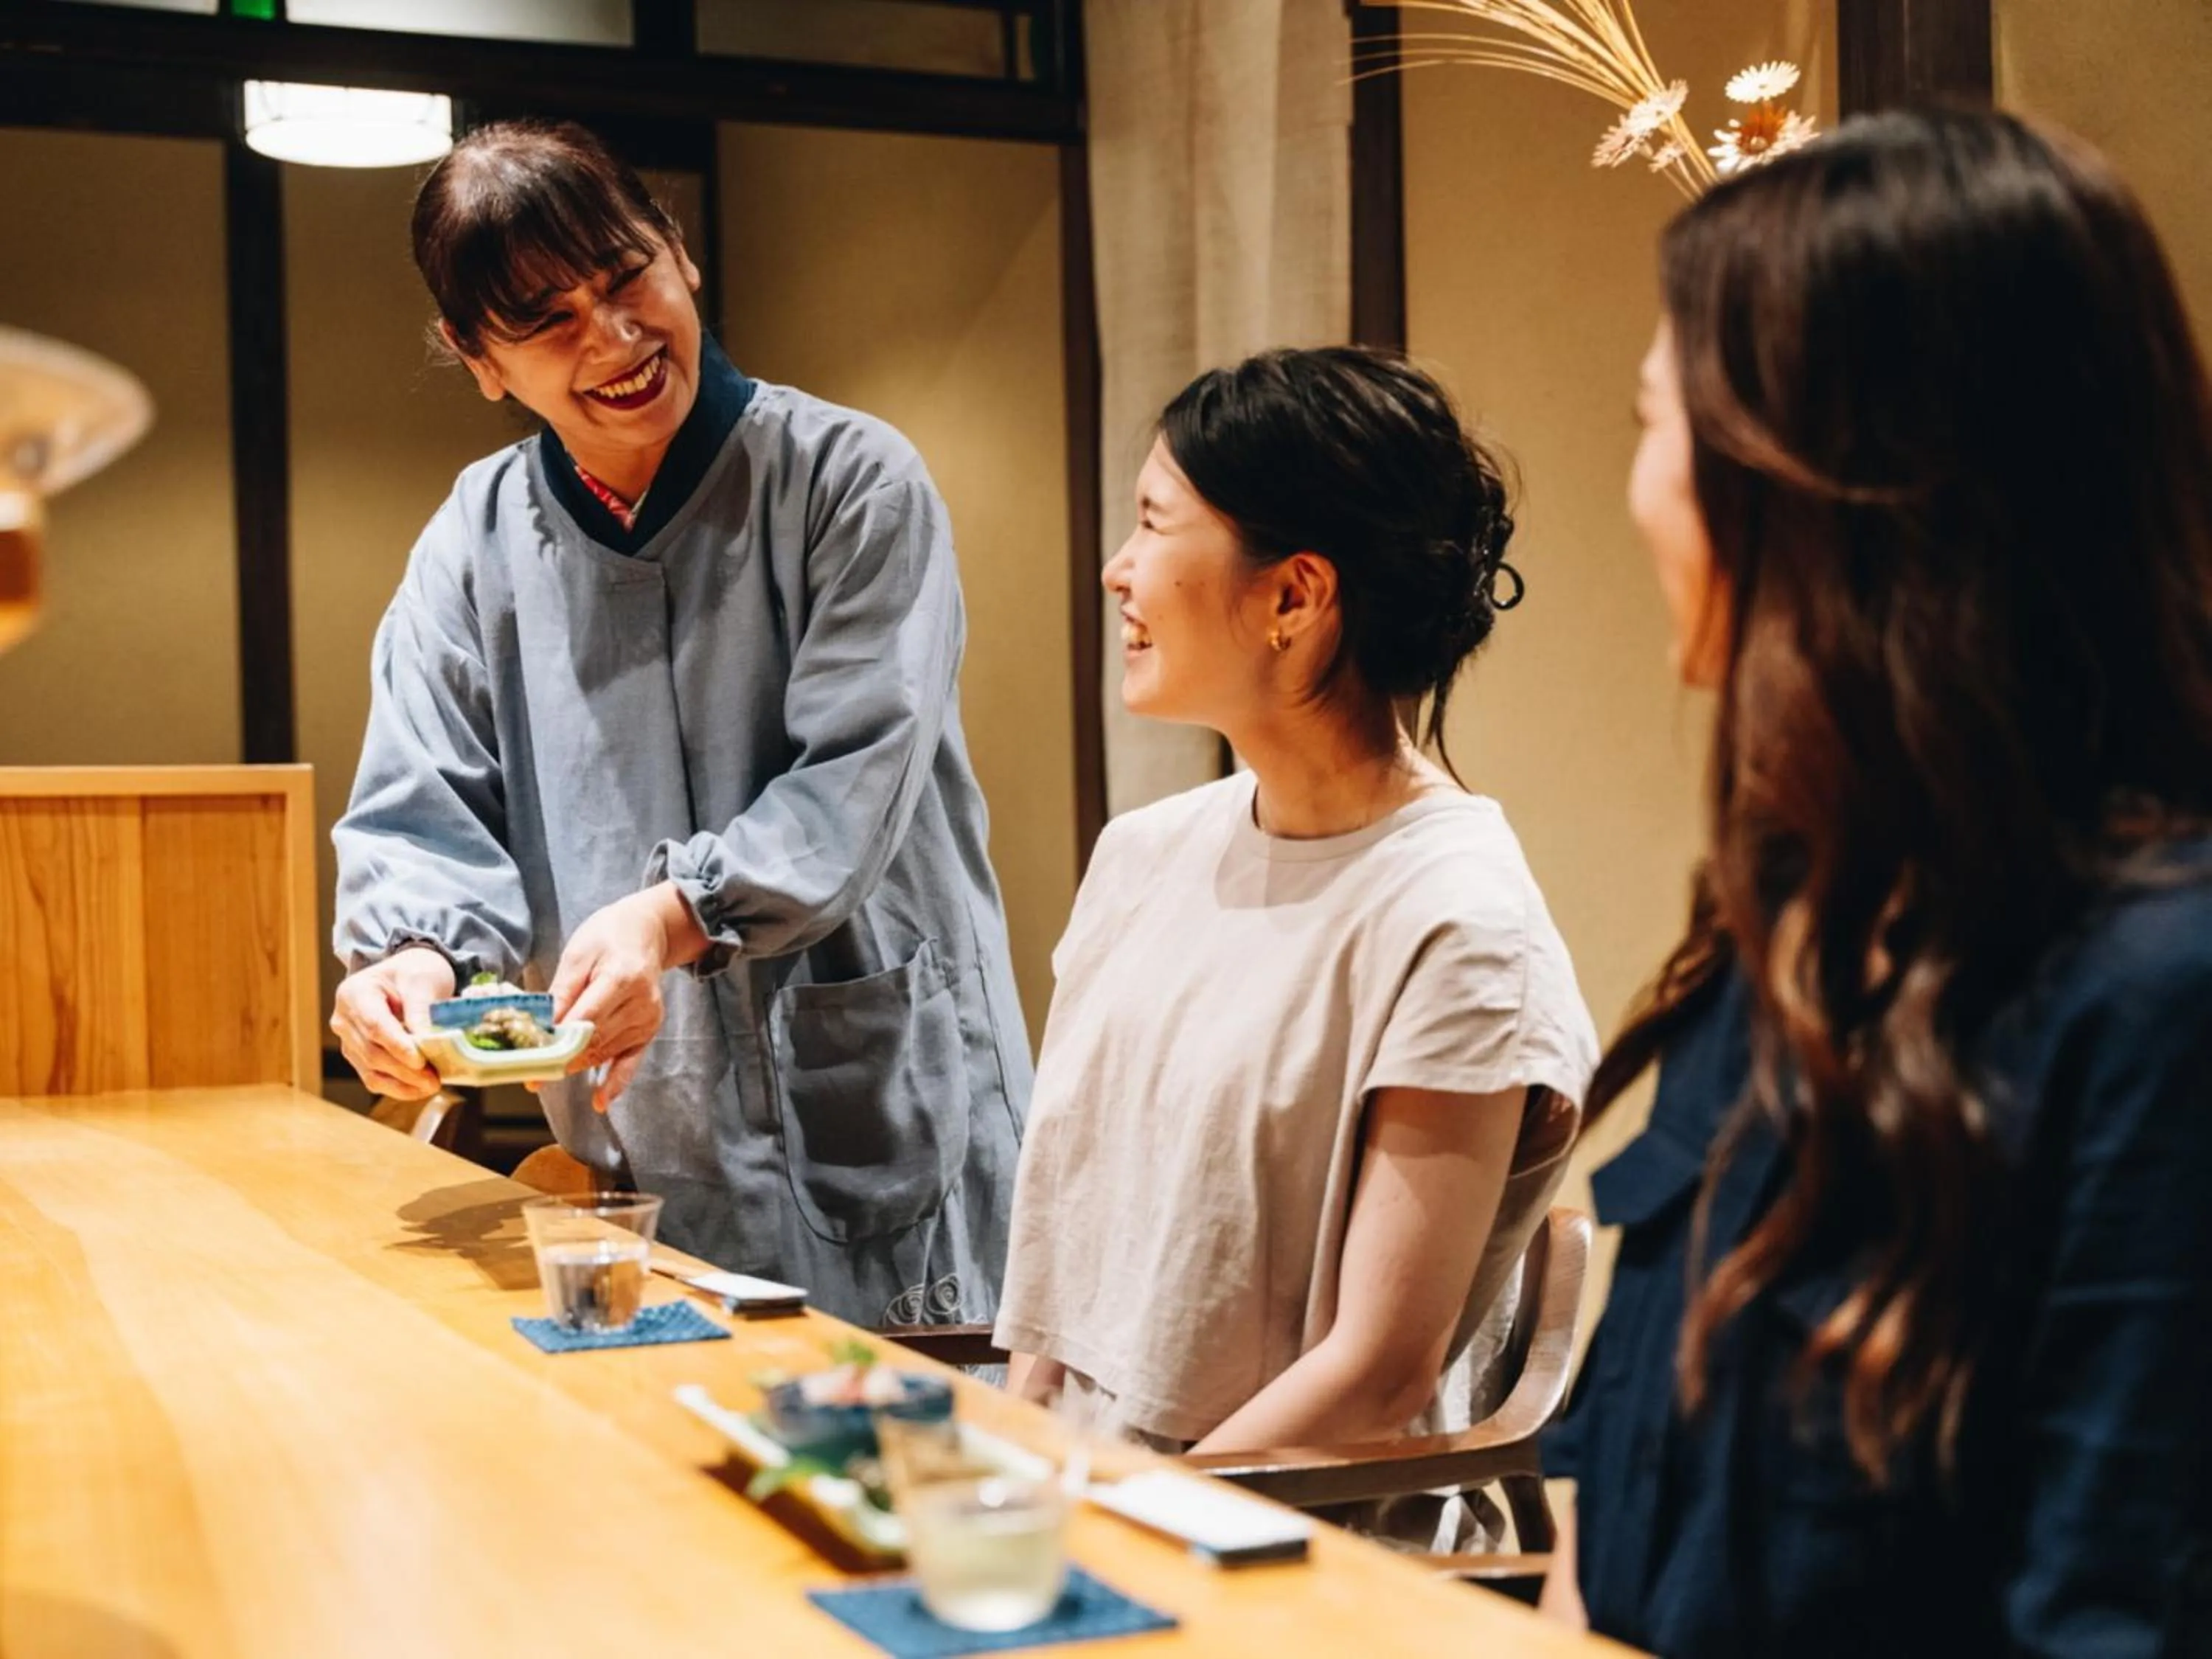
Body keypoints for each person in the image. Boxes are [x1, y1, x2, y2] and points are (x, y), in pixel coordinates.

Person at [1543, 108, 2212, 1655]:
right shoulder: (1790, 931)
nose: (1637, 486)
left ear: (1824, 489)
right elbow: (1611, 1497)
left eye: (1654, 423)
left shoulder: (2155, 1004)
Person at [327, 120, 1031, 1329]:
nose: (614, 338)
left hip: (885, 1096)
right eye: (549, 322)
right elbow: (427, 797)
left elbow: (852, 778)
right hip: (642, 1132)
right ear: (477, 358)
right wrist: (412, 961)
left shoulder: (850, 480)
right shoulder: (477, 537)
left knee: (914, 1466)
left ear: (681, 254)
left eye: (627, 276)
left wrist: (677, 912)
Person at [992, 347, 1599, 1529]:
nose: (1118, 571)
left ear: (1293, 597)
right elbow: (1065, 1291)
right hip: (1072, 1508)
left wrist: (1108, 1519)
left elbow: (1377, 1374)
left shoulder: (1456, 922)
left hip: (1283, 1546)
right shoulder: (1144, 853)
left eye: (1153, 524)